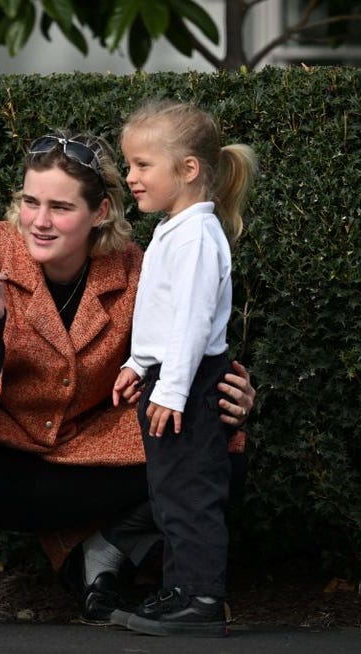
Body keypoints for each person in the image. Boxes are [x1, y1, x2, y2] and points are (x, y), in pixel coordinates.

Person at [0, 131, 256, 627]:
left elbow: (184, 339)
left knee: (216, 450)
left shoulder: (135, 268)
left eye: (60, 206)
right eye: (30, 201)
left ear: (99, 213)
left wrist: (226, 395)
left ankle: (100, 559)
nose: (39, 220)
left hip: (80, 456)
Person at [108, 100, 259, 637]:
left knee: (191, 491)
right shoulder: (176, 228)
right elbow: (162, 316)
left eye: (143, 166)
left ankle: (200, 599)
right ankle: (178, 591)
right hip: (171, 377)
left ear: (188, 169)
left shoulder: (196, 236)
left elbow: (193, 325)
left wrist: (169, 390)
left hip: (190, 383)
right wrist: (136, 363)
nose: (132, 178)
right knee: (169, 490)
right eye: (130, 166)